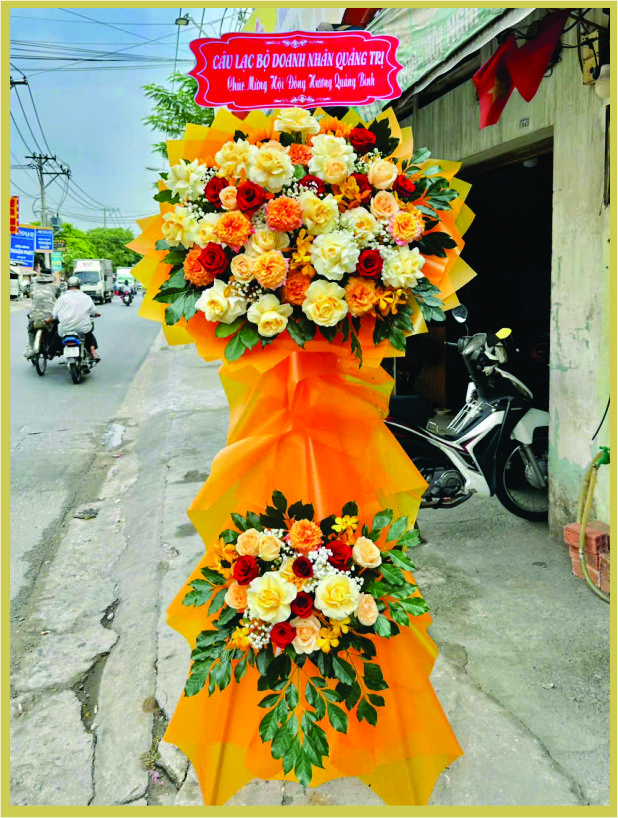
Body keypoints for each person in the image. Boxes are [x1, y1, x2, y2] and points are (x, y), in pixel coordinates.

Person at [50, 275, 100, 360]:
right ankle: (93, 351)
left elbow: (54, 315)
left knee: (57, 335)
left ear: (68, 286)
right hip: (82, 329)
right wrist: (96, 314)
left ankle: (51, 353)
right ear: (79, 286)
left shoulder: (62, 298)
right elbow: (94, 311)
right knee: (88, 334)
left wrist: (51, 319)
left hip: (65, 329)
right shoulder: (86, 298)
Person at [23, 268, 60, 359]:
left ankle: (30, 347)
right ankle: (53, 348)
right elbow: (58, 297)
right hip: (49, 316)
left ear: (40, 274)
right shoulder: (55, 286)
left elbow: (29, 294)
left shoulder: (33, 285)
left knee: (30, 328)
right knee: (56, 328)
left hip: (35, 314)